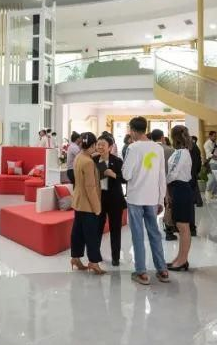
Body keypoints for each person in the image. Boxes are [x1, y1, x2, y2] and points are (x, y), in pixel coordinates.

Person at [121, 116, 169, 286]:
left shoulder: (133, 148)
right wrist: (161, 199)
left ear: (133, 130)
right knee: (155, 234)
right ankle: (162, 269)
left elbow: (126, 174)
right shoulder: (158, 148)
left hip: (136, 197)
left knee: (138, 235)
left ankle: (141, 272)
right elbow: (162, 175)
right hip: (153, 197)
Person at [70, 132, 105, 275]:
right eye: (95, 145)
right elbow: (90, 187)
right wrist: (97, 207)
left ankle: (75, 257)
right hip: (88, 204)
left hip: (78, 200)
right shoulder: (89, 162)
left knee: (77, 232)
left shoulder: (79, 157)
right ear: (92, 145)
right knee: (92, 235)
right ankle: (94, 262)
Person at [166, 125, 195, 271]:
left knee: (183, 227)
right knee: (181, 226)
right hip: (180, 188)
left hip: (180, 189)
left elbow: (172, 173)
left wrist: (163, 183)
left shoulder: (181, 153)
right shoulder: (182, 152)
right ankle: (180, 258)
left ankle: (182, 260)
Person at [94, 135, 126, 266]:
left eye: (103, 145)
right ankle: (95, 256)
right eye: (98, 144)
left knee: (115, 229)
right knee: (97, 229)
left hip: (115, 200)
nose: (100, 147)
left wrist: (112, 174)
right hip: (99, 199)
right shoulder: (93, 160)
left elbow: (124, 179)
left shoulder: (117, 161)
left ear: (110, 147)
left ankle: (115, 258)